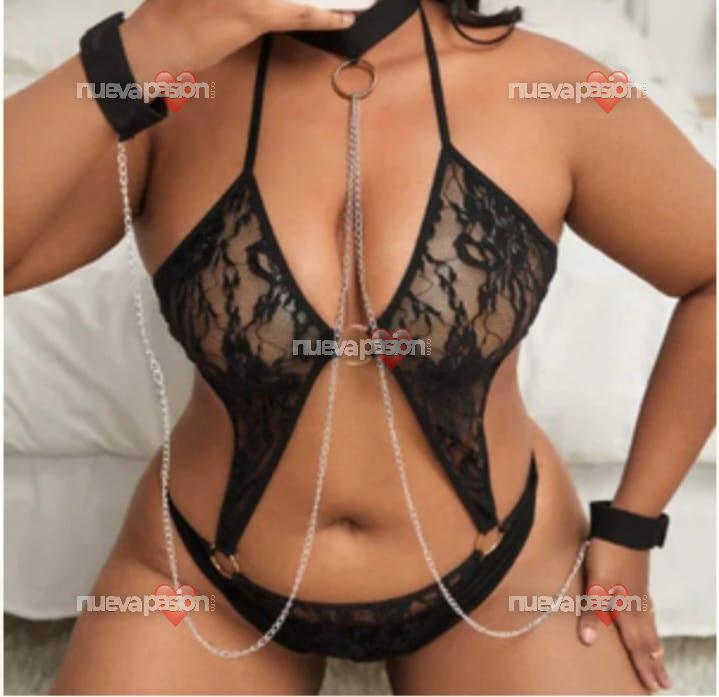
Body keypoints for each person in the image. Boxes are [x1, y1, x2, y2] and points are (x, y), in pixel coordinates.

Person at [5, 0, 715, 693]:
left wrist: (631, 528)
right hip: (205, 580)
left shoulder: (553, 90)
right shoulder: (168, 94)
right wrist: (137, 48)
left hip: (504, 570)